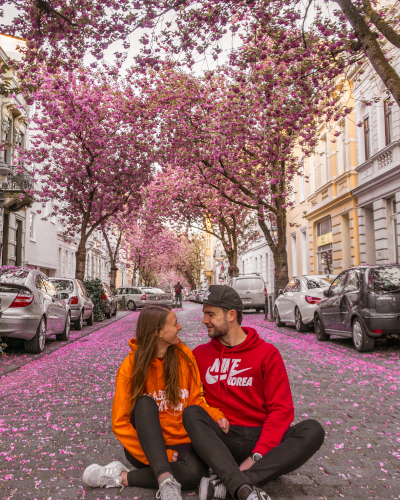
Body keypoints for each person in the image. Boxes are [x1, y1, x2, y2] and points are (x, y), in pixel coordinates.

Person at [182, 285, 325, 500]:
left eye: (210, 314)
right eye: (204, 314)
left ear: (231, 315)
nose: (204, 320)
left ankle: (232, 482)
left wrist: (258, 454)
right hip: (223, 438)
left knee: (313, 430)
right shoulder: (199, 355)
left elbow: (280, 410)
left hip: (261, 437)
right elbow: (188, 397)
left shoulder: (267, 354)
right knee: (192, 413)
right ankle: (243, 485)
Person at [82, 304, 228, 500]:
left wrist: (216, 416)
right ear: (158, 332)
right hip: (146, 445)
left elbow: (195, 400)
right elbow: (120, 422)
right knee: (143, 403)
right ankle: (165, 476)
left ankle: (121, 477)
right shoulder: (130, 367)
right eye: (175, 324)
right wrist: (163, 456)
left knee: (194, 473)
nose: (180, 328)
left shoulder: (185, 356)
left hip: (182, 444)